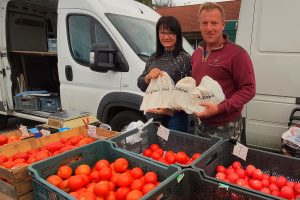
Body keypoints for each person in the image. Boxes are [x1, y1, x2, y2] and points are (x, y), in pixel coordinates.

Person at [192, 2, 256, 139]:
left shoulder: (237, 54)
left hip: (226, 126)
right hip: (200, 124)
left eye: (214, 23)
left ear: (223, 25)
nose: (209, 28)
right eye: (204, 23)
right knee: (201, 160)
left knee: (226, 161)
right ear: (199, 25)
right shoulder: (196, 53)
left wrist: (219, 108)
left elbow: (248, 89)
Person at [137, 16, 191, 132]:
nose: (166, 37)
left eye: (171, 33)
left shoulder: (185, 59)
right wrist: (148, 77)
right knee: (155, 148)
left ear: (178, 35)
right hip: (153, 115)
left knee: (174, 149)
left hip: (176, 118)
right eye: (162, 33)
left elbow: (190, 92)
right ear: (158, 34)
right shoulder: (153, 58)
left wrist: (171, 109)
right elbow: (141, 84)